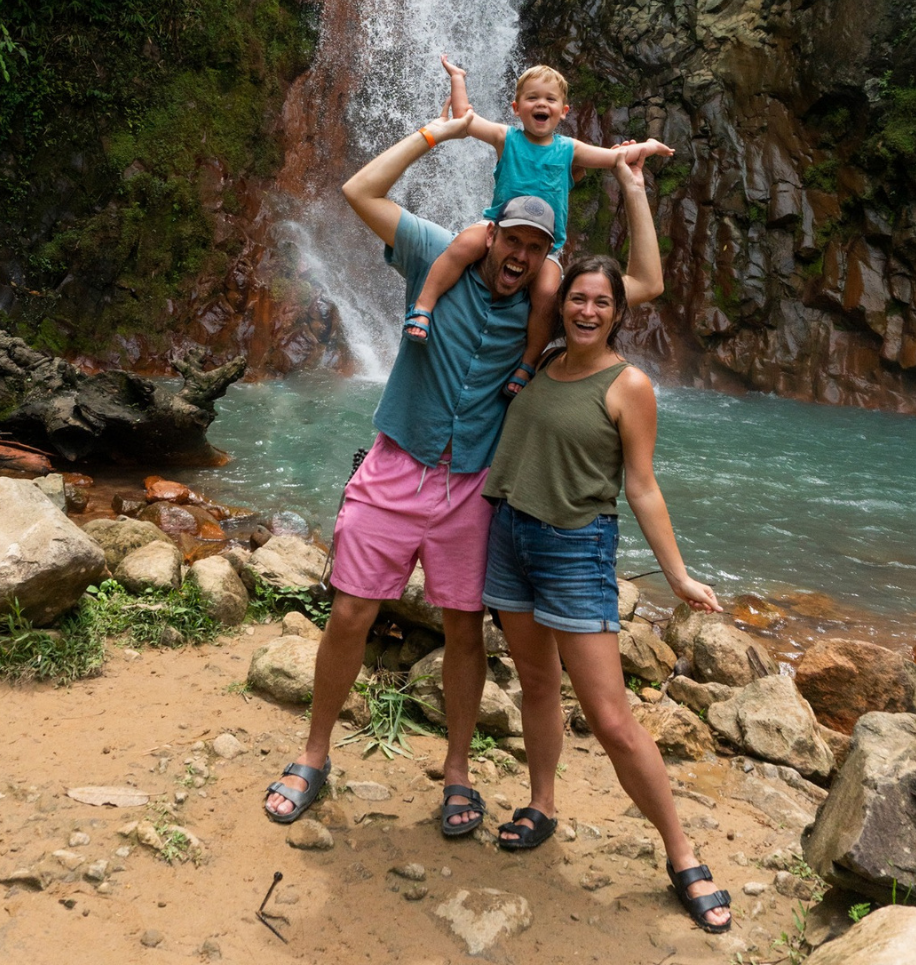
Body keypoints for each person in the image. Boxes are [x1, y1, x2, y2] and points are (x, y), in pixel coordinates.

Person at [264, 104, 666, 837]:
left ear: (546, 254)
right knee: (351, 611)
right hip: (394, 466)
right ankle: (314, 754)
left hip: (472, 490)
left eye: (534, 247)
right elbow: (360, 192)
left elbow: (642, 284)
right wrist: (440, 133)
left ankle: (458, 771)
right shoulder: (436, 253)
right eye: (510, 239)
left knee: (461, 631)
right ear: (491, 233)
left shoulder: (552, 298)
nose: (518, 256)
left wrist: (630, 184)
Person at [480, 164, 733, 934]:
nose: (586, 309)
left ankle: (683, 853)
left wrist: (681, 575)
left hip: (574, 550)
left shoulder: (630, 386)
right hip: (510, 536)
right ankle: (543, 802)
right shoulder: (544, 360)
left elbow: (643, 487)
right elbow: (497, 255)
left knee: (614, 718)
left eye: (601, 302)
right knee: (532, 684)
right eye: (577, 299)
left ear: (619, 312)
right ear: (562, 306)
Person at [402, 56, 673, 398]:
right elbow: (465, 120)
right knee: (461, 246)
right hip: (497, 227)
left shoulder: (569, 150)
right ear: (516, 107)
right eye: (532, 98)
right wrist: (458, 78)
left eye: (550, 99)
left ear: (564, 111)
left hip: (545, 247)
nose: (541, 104)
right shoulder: (506, 138)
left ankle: (527, 364)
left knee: (547, 295)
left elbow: (616, 158)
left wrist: (648, 146)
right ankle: (423, 308)